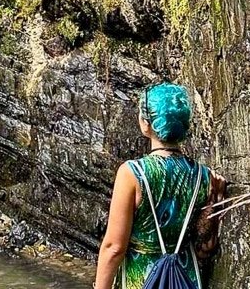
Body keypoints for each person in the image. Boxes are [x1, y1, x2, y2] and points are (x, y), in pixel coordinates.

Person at [93, 83, 226, 289]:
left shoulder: (132, 174)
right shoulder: (206, 177)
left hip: (142, 280)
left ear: (146, 124)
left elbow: (114, 248)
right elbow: (205, 247)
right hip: (185, 278)